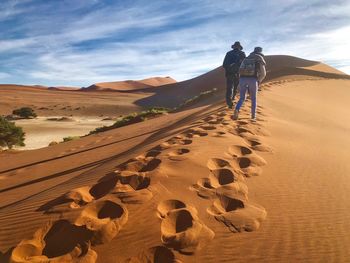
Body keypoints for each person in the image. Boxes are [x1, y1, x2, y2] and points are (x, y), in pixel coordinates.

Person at [233, 46, 266, 121]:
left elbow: (240, 70)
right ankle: (253, 116)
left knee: (242, 98)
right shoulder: (259, 58)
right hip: (253, 80)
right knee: (253, 99)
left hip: (242, 79)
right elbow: (263, 73)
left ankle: (237, 109)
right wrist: (258, 80)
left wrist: (240, 81)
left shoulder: (246, 58)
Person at [222, 41, 246, 109]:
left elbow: (224, 64)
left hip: (229, 74)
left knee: (229, 88)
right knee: (235, 87)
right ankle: (232, 99)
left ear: (234, 46)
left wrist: (230, 68)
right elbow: (245, 64)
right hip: (238, 74)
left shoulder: (229, 53)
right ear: (239, 47)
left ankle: (229, 103)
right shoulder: (242, 53)